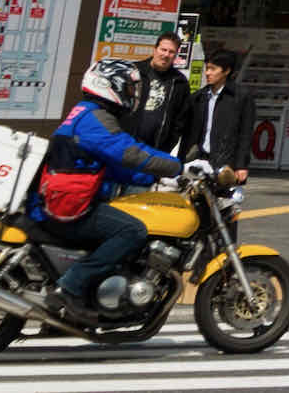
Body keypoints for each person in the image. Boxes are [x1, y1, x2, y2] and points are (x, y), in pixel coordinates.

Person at [30, 59, 197, 320]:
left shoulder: (86, 112)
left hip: (64, 195)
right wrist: (179, 167)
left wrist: (151, 180)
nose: (133, 94)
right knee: (132, 230)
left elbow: (109, 165)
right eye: (129, 88)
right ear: (111, 86)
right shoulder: (96, 118)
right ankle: (70, 287)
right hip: (67, 203)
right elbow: (130, 152)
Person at [180, 49, 253, 184]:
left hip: (226, 163)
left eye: (213, 69)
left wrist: (241, 165)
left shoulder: (241, 97)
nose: (207, 73)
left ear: (226, 71)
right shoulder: (198, 97)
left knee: (225, 202)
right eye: (207, 68)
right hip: (199, 160)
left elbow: (246, 134)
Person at [122, 32, 192, 156]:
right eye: (163, 49)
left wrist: (166, 148)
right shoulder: (133, 71)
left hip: (155, 151)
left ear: (176, 55)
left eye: (171, 52)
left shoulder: (180, 82)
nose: (166, 55)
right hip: (124, 144)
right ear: (155, 49)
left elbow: (180, 121)